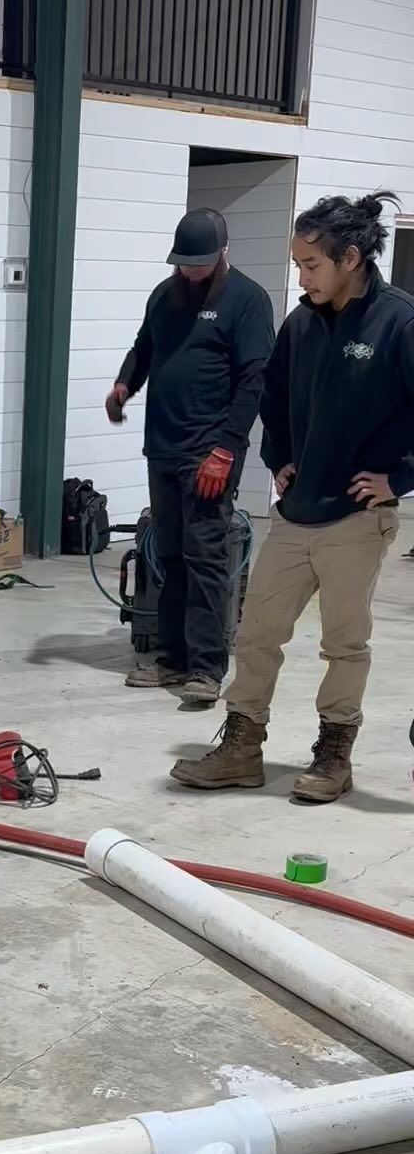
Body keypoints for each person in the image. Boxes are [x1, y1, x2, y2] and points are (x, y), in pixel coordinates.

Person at [172, 191, 412, 805]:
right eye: (298, 264)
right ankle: (242, 749)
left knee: (343, 643)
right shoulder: (301, 322)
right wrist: (278, 456)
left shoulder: (398, 322)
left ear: (351, 257)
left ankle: (334, 755)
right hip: (295, 514)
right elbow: (271, 398)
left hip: (358, 519)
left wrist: (399, 478)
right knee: (256, 634)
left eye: (311, 264)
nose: (301, 276)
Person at [106, 208, 276, 705]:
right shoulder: (164, 294)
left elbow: (254, 380)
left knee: (205, 558)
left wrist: (226, 448)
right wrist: (124, 383)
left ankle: (206, 667)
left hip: (210, 453)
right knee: (172, 556)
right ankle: (173, 659)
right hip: (163, 447)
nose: (190, 271)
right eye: (183, 263)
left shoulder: (247, 300)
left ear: (223, 252)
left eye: (199, 263)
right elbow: (144, 348)